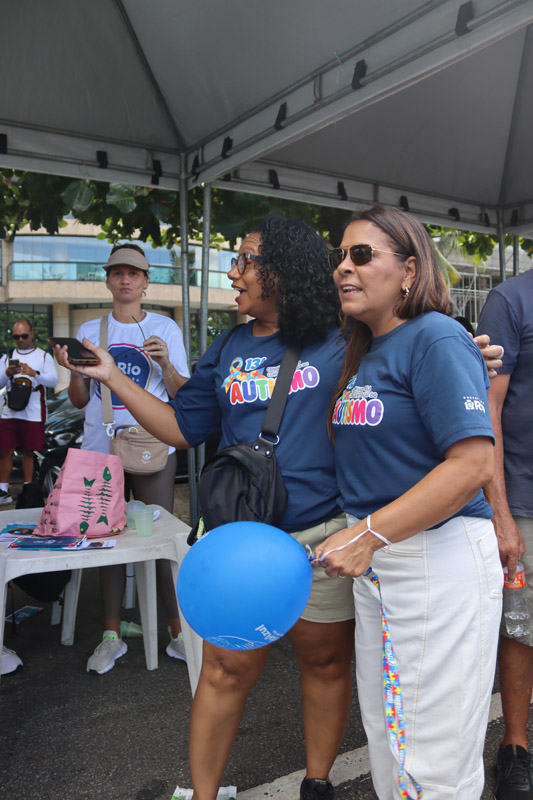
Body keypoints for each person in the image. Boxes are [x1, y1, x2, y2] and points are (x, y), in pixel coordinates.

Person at [54, 219, 504, 800]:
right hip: (248, 539)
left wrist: (471, 353)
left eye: (244, 261)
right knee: (225, 669)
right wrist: (113, 376)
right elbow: (181, 427)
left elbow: (420, 366)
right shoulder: (231, 345)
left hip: (331, 536)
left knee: (329, 667)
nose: (232, 272)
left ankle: (317, 784)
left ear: (283, 271)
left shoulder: (349, 333)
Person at [315, 205, 503, 800]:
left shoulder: (436, 335)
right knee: (390, 739)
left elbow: (473, 464)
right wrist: (368, 539)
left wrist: (367, 534)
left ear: (409, 269)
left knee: (433, 759)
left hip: (435, 558)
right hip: (385, 563)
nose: (344, 267)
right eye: (338, 257)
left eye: (362, 255)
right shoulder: (366, 351)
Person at [65, 243, 190, 675]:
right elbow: (81, 399)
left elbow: (181, 395)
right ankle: (111, 636)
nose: (125, 280)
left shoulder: (166, 328)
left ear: (145, 280)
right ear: (108, 279)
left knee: (162, 541)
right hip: (101, 447)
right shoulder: (91, 329)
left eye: (133, 273)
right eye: (117, 272)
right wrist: (78, 372)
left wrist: (167, 365)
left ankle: (177, 633)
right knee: (107, 543)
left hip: (153, 445)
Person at [477, 269, 533, 799]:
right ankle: (514, 746)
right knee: (521, 630)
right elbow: (488, 406)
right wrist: (501, 511)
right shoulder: (511, 299)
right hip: (525, 497)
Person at [0, 318, 58, 504]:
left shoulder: (43, 356)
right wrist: (6, 374)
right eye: (16, 337)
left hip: (33, 411)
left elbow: (53, 381)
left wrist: (34, 373)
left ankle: (28, 488)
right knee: (5, 449)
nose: (20, 340)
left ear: (32, 334)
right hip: (10, 409)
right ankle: (3, 490)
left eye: (24, 336)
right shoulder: (7, 356)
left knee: (29, 451)